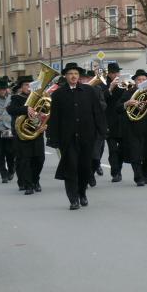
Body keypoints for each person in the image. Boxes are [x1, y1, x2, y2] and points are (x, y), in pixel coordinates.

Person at [48, 62, 107, 210]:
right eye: (70, 74)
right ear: (66, 76)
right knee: (71, 168)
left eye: (75, 73)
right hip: (67, 138)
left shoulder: (89, 91)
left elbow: (97, 112)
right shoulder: (58, 94)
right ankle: (73, 199)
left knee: (84, 167)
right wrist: (52, 138)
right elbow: (54, 117)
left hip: (87, 136)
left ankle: (82, 193)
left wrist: (102, 130)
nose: (73, 76)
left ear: (79, 76)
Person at [118, 69, 147, 186]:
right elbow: (118, 108)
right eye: (139, 79)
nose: (141, 81)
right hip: (133, 128)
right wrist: (127, 104)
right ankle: (138, 177)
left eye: (144, 79)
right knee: (135, 154)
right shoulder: (129, 93)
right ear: (135, 81)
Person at [7, 75, 46, 195]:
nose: (28, 87)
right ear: (21, 87)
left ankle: (35, 180)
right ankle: (28, 184)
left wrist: (45, 121)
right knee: (25, 160)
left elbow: (47, 113)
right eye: (26, 85)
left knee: (39, 159)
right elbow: (11, 110)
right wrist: (26, 109)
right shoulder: (16, 98)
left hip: (37, 131)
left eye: (30, 85)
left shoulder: (40, 98)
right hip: (22, 134)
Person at [79, 70, 107, 187]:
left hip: (96, 127)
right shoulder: (75, 91)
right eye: (83, 79)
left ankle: (91, 172)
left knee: (95, 156)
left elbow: (103, 105)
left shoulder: (97, 89)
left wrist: (93, 103)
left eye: (87, 79)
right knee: (84, 156)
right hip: (81, 128)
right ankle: (86, 177)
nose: (85, 81)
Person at [103, 62, 126, 182]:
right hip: (109, 122)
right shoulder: (103, 84)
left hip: (123, 121)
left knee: (122, 150)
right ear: (109, 74)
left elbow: (129, 97)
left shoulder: (124, 83)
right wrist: (110, 87)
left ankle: (119, 169)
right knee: (113, 150)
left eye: (117, 72)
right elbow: (101, 99)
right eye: (113, 73)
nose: (116, 75)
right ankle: (115, 173)